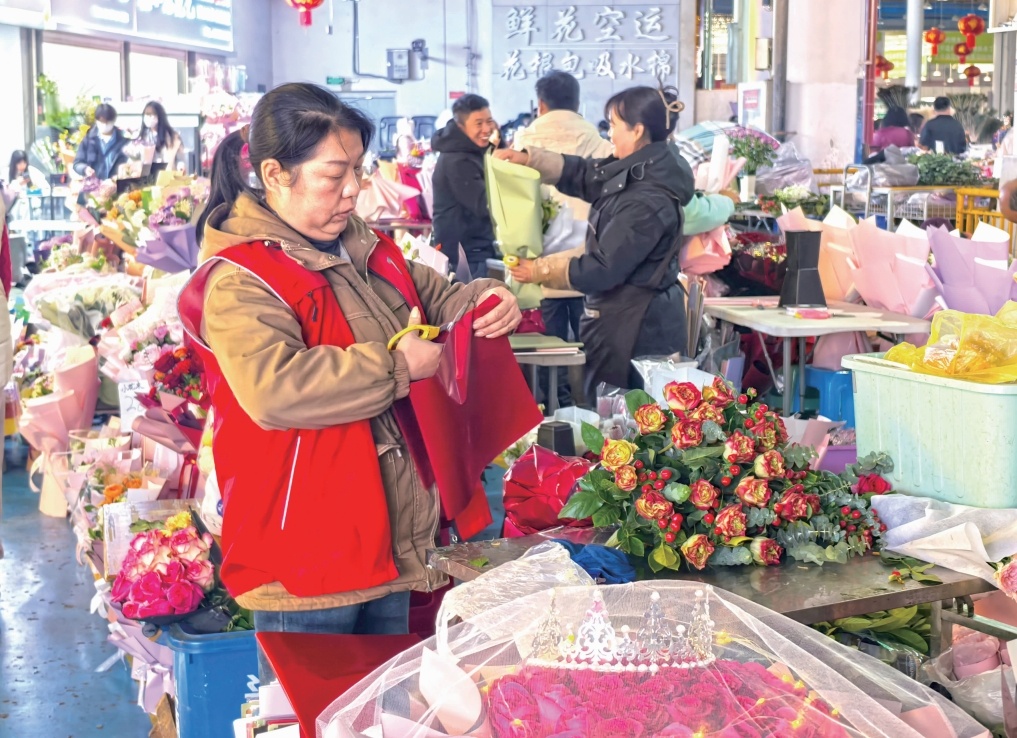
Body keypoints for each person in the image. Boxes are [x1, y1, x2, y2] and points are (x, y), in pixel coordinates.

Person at [178, 83, 520, 665]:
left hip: (386, 538)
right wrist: (396, 367)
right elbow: (273, 388)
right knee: (315, 710)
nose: (353, 191)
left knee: (381, 709)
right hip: (306, 550)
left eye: (358, 171)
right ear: (276, 174)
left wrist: (487, 298)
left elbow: (441, 298)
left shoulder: (366, 248)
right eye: (333, 176)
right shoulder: (242, 279)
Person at [497, 86, 694, 395]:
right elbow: (589, 175)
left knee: (627, 422)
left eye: (614, 124)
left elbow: (605, 267)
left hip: (638, 328)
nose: (609, 133)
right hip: (623, 320)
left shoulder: (647, 198)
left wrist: (540, 271)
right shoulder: (642, 169)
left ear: (638, 130)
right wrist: (528, 159)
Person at [513, 71, 613, 407]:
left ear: (540, 104)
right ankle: (591, 412)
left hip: (540, 266)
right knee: (591, 346)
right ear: (577, 103)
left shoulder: (522, 146)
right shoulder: (600, 144)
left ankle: (555, 410)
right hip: (589, 266)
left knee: (547, 348)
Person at [431, 93, 498, 277]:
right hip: (466, 254)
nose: (487, 129)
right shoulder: (458, 159)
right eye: (478, 123)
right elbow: (484, 205)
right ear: (461, 126)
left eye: (489, 121)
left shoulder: (472, 150)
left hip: (475, 248)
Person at [73, 103, 129, 180]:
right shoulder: (89, 140)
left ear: (114, 121)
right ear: (96, 121)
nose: (105, 125)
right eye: (102, 122)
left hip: (117, 186)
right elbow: (77, 163)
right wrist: (85, 169)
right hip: (94, 187)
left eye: (108, 122)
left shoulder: (124, 140)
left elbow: (132, 165)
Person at [136, 101, 183, 169]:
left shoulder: (173, 137)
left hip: (167, 176)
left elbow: (180, 159)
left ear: (160, 116)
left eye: (153, 114)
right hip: (148, 177)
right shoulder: (142, 136)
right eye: (147, 114)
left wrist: (181, 166)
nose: (149, 117)